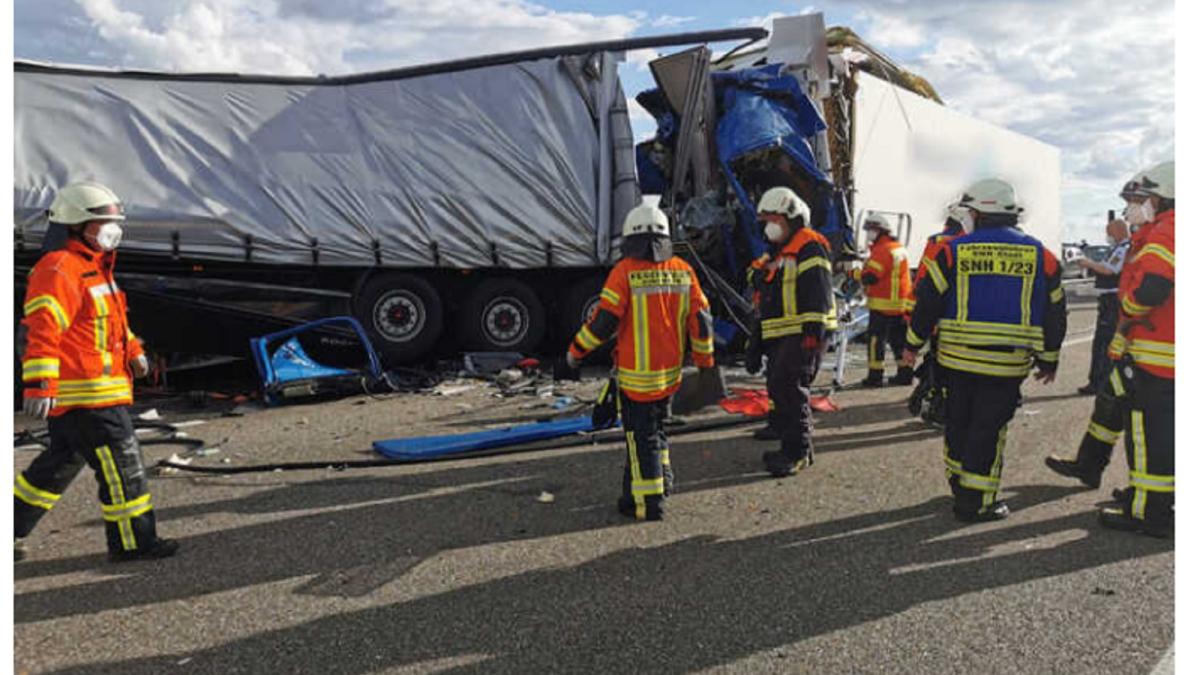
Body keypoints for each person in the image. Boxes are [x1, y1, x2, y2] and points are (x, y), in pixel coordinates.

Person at [15, 181, 179, 562]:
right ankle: (134, 543)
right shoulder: (60, 269)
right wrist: (39, 384)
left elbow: (110, 326)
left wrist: (135, 352)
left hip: (92, 393)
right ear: (75, 225)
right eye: (103, 222)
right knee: (125, 469)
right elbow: (42, 330)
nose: (113, 229)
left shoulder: (93, 268)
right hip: (88, 396)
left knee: (53, 470)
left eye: (115, 221)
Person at [902, 178, 1066, 522]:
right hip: (1006, 366)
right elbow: (1055, 313)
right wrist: (1049, 358)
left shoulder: (952, 250)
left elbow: (927, 304)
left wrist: (911, 347)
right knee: (989, 430)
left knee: (958, 423)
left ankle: (961, 489)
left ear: (977, 212)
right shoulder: (1042, 256)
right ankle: (978, 501)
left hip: (955, 361)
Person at [1045, 161, 1173, 538]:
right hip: (1148, 351)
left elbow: (1151, 289)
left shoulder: (1168, 231)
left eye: (1139, 198)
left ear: (1162, 197)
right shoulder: (1162, 230)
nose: (1133, 206)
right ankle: (1102, 471)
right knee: (1118, 409)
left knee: (1151, 437)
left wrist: (1129, 309)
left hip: (1158, 357)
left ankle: (1151, 512)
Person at [566, 204, 717, 521]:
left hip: (637, 379)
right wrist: (705, 364)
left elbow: (602, 324)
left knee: (640, 438)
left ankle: (648, 503)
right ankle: (661, 483)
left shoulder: (624, 272)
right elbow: (701, 322)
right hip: (669, 376)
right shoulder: (683, 270)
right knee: (657, 431)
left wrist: (575, 353)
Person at [746, 187, 838, 477]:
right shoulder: (776, 251)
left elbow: (817, 290)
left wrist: (813, 330)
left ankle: (797, 452)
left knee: (790, 388)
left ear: (793, 218)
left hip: (804, 331)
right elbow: (757, 282)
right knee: (778, 386)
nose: (769, 225)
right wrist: (756, 340)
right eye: (765, 220)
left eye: (774, 219)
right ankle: (785, 435)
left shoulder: (809, 245)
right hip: (781, 332)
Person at [907, 205, 969, 424]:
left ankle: (939, 410)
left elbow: (924, 284)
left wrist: (915, 320)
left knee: (939, 365)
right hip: (967, 321)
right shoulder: (975, 243)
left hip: (940, 319)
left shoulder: (939, 243)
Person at [852, 214, 914, 386]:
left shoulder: (883, 250)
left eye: (871, 230)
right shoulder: (898, 247)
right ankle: (905, 374)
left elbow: (871, 277)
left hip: (882, 305)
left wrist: (854, 273)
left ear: (880, 231)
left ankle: (875, 376)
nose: (869, 234)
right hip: (900, 305)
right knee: (899, 341)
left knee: (875, 342)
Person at [1075, 219, 1131, 395]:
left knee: (1104, 343)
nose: (1108, 237)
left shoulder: (1124, 248)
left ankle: (1100, 383)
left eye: (1109, 232)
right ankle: (1101, 381)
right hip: (1110, 300)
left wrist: (1086, 263)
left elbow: (1109, 270)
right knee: (1103, 342)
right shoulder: (1118, 248)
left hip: (1113, 301)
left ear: (1118, 231)